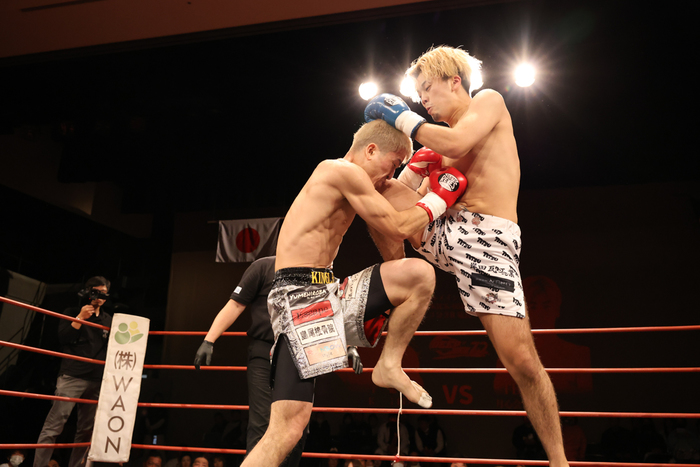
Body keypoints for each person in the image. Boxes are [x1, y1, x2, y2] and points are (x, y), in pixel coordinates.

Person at [364, 45, 569, 466]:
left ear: (454, 81)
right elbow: (406, 197)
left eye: (427, 87)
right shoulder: (433, 145)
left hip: (487, 242)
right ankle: (395, 281)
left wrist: (402, 118)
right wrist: (410, 168)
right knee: (373, 186)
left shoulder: (488, 103)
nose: (423, 98)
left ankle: (559, 463)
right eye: (418, 93)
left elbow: (457, 140)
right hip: (442, 225)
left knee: (521, 361)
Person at [238, 119, 467, 467]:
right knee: (285, 430)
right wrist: (438, 198)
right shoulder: (339, 171)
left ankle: (388, 364)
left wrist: (391, 300)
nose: (390, 175)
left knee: (418, 275)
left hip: (325, 293)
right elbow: (397, 226)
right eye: (393, 164)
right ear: (371, 150)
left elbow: (393, 247)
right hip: (298, 300)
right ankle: (387, 363)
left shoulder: (359, 182)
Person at [194, 255, 362, 466]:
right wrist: (209, 339)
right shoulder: (264, 267)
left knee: (297, 426)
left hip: (302, 354)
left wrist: (350, 345)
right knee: (262, 422)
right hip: (264, 352)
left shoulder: (318, 272)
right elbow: (236, 304)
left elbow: (331, 312)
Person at [34, 276, 113, 467]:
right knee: (54, 426)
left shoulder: (109, 320)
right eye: (96, 292)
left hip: (96, 379)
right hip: (71, 376)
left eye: (103, 293)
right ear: (88, 292)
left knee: (86, 430)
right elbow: (63, 338)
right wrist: (79, 318)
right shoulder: (71, 312)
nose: (99, 297)